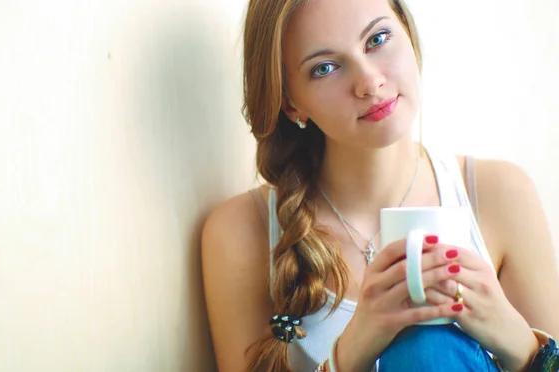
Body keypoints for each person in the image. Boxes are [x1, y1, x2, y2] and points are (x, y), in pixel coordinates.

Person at [201, 0, 559, 370]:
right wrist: (350, 351)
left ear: (407, 32)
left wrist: (514, 338)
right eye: (325, 68)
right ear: (291, 104)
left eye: (378, 39)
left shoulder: (497, 193)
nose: (370, 82)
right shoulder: (242, 231)